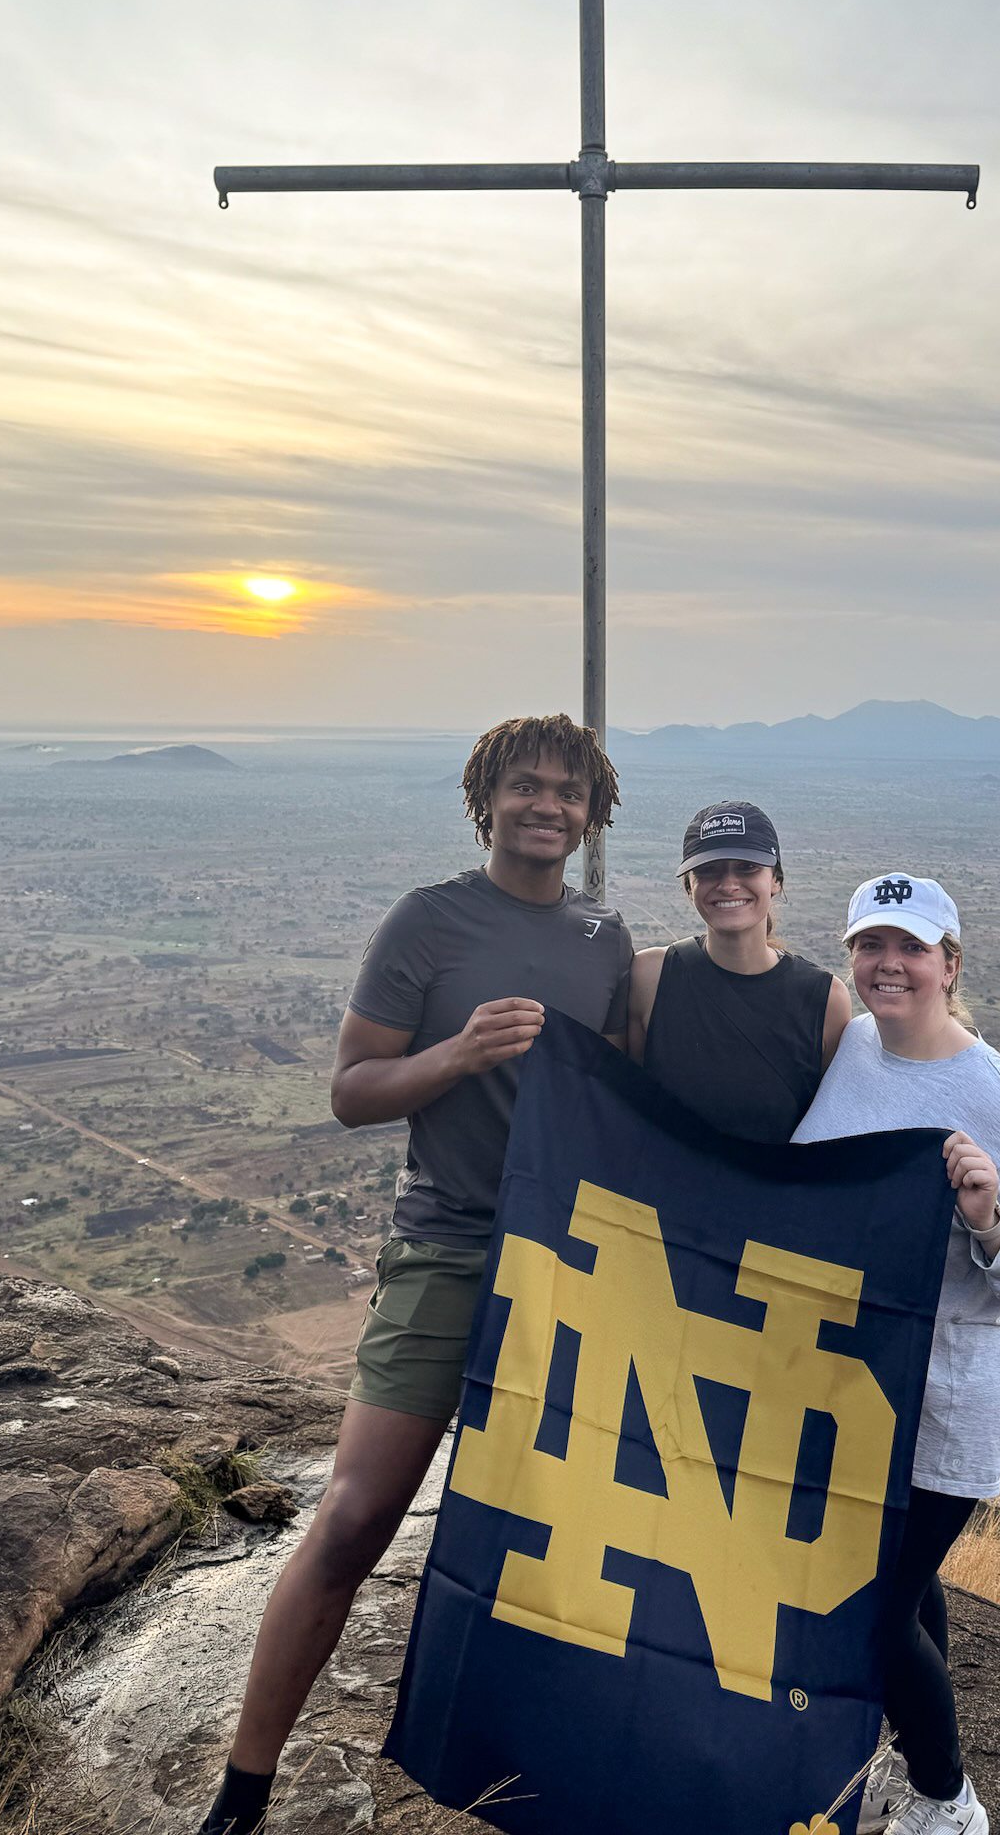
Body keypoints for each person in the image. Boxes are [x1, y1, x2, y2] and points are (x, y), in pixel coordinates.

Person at [197, 715, 633, 1835]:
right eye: (527, 786)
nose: (548, 804)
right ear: (486, 799)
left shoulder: (603, 935)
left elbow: (628, 1102)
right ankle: (243, 1791)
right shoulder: (429, 920)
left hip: (567, 1264)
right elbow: (351, 1089)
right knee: (352, 1519)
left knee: (564, 1539)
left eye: (568, 792)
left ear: (593, 813)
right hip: (447, 1247)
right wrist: (457, 1055)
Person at [793, 873, 1000, 1835]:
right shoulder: (858, 1051)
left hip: (948, 1393)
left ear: (950, 966)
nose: (889, 965)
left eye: (912, 948)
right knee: (904, 1596)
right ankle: (916, 1767)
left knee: (865, 1606)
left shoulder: (990, 1091)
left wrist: (991, 1221)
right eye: (872, 946)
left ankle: (947, 1801)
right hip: (853, 1382)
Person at [627, 800, 853, 1138]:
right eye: (709, 870)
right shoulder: (650, 977)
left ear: (775, 879)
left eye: (747, 868)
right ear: (689, 886)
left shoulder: (825, 999)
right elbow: (624, 1106)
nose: (729, 884)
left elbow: (830, 1136)